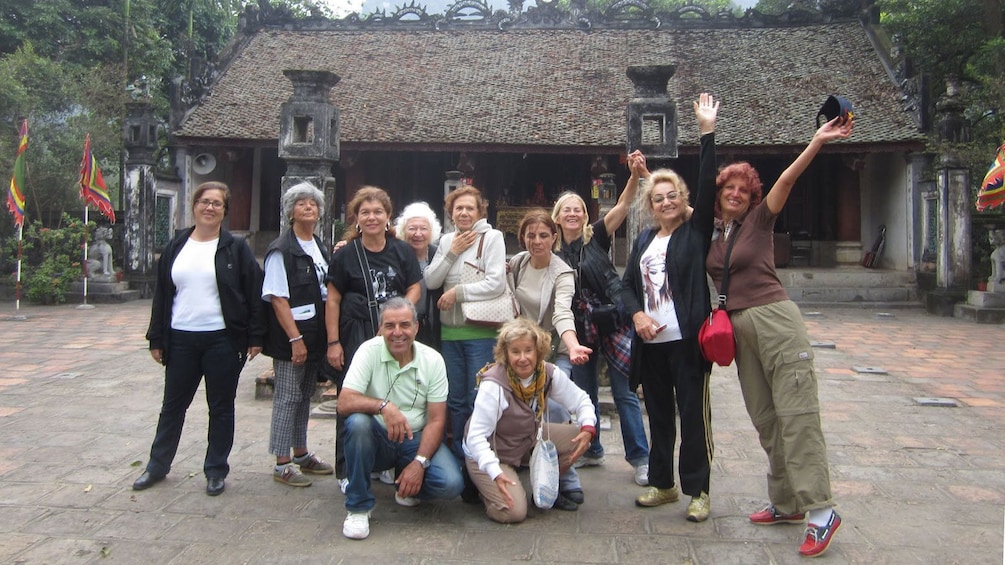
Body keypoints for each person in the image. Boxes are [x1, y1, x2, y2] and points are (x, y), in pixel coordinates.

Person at [706, 114, 853, 557]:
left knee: (797, 413)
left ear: (752, 197)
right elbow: (671, 201)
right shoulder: (712, 232)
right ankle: (786, 501)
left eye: (743, 190)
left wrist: (817, 141)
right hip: (739, 330)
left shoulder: (760, 221)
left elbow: (787, 180)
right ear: (717, 194)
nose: (735, 194)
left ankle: (821, 510)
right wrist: (639, 176)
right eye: (728, 188)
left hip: (774, 320)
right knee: (766, 419)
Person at [622, 93, 719, 521]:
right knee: (659, 417)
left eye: (672, 195)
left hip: (686, 343)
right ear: (650, 205)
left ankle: (699, 491)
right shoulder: (643, 241)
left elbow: (709, 183)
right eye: (658, 198)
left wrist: (706, 131)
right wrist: (637, 314)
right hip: (653, 344)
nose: (665, 202)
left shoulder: (695, 233)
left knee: (692, 419)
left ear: (683, 199)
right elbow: (625, 287)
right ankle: (663, 484)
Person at [135, 181, 264, 496]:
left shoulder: (235, 247)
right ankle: (157, 465)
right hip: (181, 339)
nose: (210, 208)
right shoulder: (177, 245)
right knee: (172, 406)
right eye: (205, 201)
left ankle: (216, 469)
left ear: (224, 210)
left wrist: (255, 336)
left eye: (217, 203)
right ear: (194, 206)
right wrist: (157, 337)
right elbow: (163, 294)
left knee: (220, 407)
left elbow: (254, 292)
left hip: (222, 339)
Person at [552, 154, 651, 486]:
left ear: (584, 214)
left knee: (624, 393)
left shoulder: (595, 235)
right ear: (557, 216)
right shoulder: (550, 251)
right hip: (580, 328)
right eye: (566, 208)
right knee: (585, 391)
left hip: (613, 319)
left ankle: (640, 458)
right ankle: (592, 449)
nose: (573, 212)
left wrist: (636, 175)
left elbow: (622, 206)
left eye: (578, 208)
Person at [338, 297, 464, 540]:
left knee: (451, 483)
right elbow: (344, 401)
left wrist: (419, 463)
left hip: (414, 438)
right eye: (389, 326)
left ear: (416, 327)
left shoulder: (433, 360)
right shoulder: (368, 351)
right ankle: (358, 506)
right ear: (380, 329)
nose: (397, 333)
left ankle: (405, 484)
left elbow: (437, 420)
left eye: (405, 325)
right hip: (379, 436)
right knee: (357, 423)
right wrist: (384, 406)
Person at [326, 186, 423, 492]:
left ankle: (386, 462)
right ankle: (347, 469)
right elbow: (333, 299)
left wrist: (398, 318)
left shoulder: (401, 250)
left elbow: (415, 287)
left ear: (388, 216)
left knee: (395, 393)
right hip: (355, 331)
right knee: (353, 397)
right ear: (356, 218)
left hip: (395, 335)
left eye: (377, 212)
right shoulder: (345, 255)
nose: (371, 217)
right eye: (365, 212)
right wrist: (333, 342)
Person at [463, 317, 596, 524]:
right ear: (506, 354)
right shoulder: (494, 385)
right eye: (515, 351)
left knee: (581, 437)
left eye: (528, 350)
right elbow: (476, 437)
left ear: (539, 351)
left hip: (526, 438)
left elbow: (581, 400)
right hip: (490, 452)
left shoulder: (548, 373)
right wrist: (494, 472)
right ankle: (483, 488)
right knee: (514, 513)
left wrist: (588, 427)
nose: (522, 358)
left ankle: (544, 485)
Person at [507, 208, 592, 510]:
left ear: (554, 237)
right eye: (531, 235)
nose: (537, 241)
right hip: (520, 352)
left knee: (555, 410)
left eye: (543, 235)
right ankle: (527, 472)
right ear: (523, 238)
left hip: (553, 348)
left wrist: (573, 345)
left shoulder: (562, 272)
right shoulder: (516, 264)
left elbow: (562, 312)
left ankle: (566, 481)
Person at [424, 185, 507, 463]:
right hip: (450, 334)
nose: (464, 213)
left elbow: (496, 283)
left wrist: (457, 293)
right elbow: (431, 281)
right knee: (455, 400)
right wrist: (451, 252)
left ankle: (480, 457)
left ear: (480, 210)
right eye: (458, 208)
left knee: (477, 398)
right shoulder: (447, 241)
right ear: (450, 212)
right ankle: (460, 456)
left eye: (469, 207)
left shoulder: (492, 238)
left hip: (480, 332)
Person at [261, 182, 334, 487]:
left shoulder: (318, 245)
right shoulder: (282, 249)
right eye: (301, 203)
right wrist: (295, 339)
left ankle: (301, 452)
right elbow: (277, 297)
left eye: (313, 204)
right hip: (292, 336)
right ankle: (281, 462)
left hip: (314, 331)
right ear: (291, 211)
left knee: (305, 396)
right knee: (287, 397)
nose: (308, 208)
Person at [394, 201, 443, 348]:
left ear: (432, 231)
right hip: (402, 325)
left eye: (423, 229)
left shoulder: (438, 254)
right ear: (403, 231)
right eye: (412, 228)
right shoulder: (396, 254)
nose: (418, 234)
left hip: (433, 325)